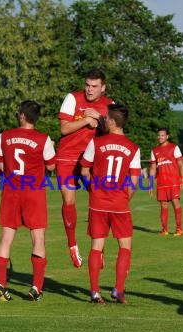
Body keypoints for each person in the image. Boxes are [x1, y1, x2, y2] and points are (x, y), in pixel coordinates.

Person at [0, 100, 56, 302]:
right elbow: (52, 166)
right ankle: (36, 287)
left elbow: (1, 164)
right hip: (34, 192)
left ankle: (0, 284)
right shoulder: (43, 139)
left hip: (11, 190)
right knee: (38, 239)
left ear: (21, 115)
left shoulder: (6, 136)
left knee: (6, 239)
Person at [80, 103, 141, 304]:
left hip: (97, 202)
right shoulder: (133, 148)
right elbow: (133, 182)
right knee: (125, 246)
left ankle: (95, 292)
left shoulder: (96, 142)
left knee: (97, 245)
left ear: (113, 122)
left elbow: (84, 171)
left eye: (106, 118)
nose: (103, 120)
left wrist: (92, 190)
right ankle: (118, 289)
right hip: (119, 204)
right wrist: (124, 197)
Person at [57, 68, 114, 268]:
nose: (89, 90)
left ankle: (99, 250)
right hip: (67, 157)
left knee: (97, 202)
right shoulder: (73, 98)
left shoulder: (109, 105)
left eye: (94, 86)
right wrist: (86, 121)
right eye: (87, 85)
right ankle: (72, 244)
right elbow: (64, 128)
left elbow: (112, 131)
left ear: (103, 87)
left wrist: (98, 117)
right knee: (68, 199)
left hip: (93, 160)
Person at [148, 128, 183, 236]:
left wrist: (182, 180)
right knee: (163, 205)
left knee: (175, 202)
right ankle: (164, 230)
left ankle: (179, 229)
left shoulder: (174, 147)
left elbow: (181, 165)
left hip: (173, 181)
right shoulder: (154, 150)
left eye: (162, 135)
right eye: (159, 135)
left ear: (167, 136)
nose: (160, 137)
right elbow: (153, 168)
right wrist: (150, 184)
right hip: (161, 183)